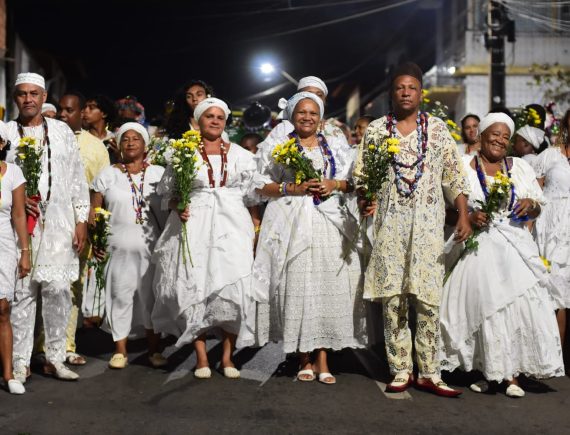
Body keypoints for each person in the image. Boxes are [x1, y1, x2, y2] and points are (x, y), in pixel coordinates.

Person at [355, 62, 471, 396]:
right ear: (392, 93)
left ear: (421, 93)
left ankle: (431, 372)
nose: (406, 92)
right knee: (394, 300)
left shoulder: (436, 130)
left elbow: (454, 176)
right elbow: (362, 176)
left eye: (412, 87)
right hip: (390, 227)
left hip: (428, 229)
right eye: (399, 87)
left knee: (429, 302)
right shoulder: (377, 130)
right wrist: (366, 198)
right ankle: (400, 369)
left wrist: (462, 214)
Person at [440, 113, 564, 398]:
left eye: (505, 136)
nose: (499, 140)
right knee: (484, 305)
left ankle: (512, 375)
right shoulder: (463, 167)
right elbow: (446, 211)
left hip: (514, 245)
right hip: (478, 247)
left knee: (517, 306)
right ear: (481, 136)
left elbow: (537, 206)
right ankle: (488, 370)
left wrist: (530, 204)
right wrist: (469, 215)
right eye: (494, 134)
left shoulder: (519, 167)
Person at [253, 92, 367, 385]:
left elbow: (354, 181)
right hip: (291, 221)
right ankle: (303, 357)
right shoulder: (277, 145)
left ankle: (323, 357)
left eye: (313, 113)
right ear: (292, 115)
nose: (307, 117)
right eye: (302, 112)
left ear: (321, 117)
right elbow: (258, 185)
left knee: (327, 283)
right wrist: (292, 187)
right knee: (299, 285)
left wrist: (333, 184)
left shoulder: (337, 144)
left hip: (329, 222)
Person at [152, 98, 261, 379]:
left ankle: (227, 357)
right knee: (194, 285)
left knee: (234, 288)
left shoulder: (241, 155)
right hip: (194, 225)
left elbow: (251, 196)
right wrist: (179, 206)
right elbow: (168, 195)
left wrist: (255, 225)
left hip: (232, 224)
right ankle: (201, 357)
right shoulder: (183, 152)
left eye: (220, 117)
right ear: (198, 120)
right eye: (209, 116)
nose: (215, 121)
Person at [5, 73, 90, 382]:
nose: (28, 99)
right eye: (22, 94)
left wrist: (81, 220)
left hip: (59, 223)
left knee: (57, 291)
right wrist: (16, 196)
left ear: (43, 97)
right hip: (19, 227)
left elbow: (77, 178)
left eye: (34, 94)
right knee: (22, 294)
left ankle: (55, 357)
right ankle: (19, 361)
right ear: (15, 98)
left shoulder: (62, 131)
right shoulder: (5, 133)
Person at [91, 122, 167, 369]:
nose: (131, 142)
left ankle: (154, 350)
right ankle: (120, 350)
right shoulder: (108, 174)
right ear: (118, 145)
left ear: (146, 145)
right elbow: (94, 212)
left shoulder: (158, 174)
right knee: (119, 295)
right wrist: (96, 240)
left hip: (151, 247)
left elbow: (171, 209)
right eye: (125, 139)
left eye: (136, 138)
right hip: (117, 246)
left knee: (150, 298)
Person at [52, 91, 110, 363]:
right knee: (45, 285)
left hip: (79, 226)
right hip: (46, 223)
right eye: (60, 110)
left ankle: (67, 346)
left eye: (69, 110)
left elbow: (101, 193)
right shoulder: (44, 136)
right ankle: (39, 347)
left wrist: (95, 230)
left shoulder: (95, 147)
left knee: (72, 286)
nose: (63, 115)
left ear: (79, 114)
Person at [531, 109, 570, 360]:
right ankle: (543, 354)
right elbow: (532, 191)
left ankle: (557, 356)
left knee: (563, 292)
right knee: (547, 288)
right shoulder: (550, 156)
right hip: (548, 229)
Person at [0, 123, 30, 394]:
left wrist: (25, 252)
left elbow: (19, 215)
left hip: (4, 245)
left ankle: (9, 374)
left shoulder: (13, 172)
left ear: (1, 144)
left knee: (3, 309)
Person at [83, 95, 119, 163]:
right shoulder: (81, 137)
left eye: (91, 108)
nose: (85, 111)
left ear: (104, 114)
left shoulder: (113, 140)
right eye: (85, 107)